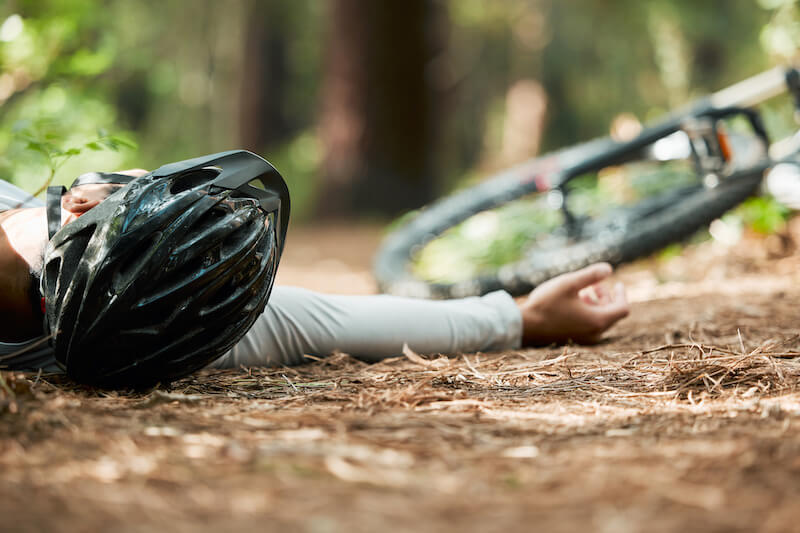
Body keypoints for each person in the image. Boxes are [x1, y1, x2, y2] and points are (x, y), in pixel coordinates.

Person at [0, 165, 629, 378]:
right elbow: (324, 322)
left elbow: (323, 321)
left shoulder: (135, 322)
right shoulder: (129, 327)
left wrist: (518, 317)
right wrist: (517, 318)